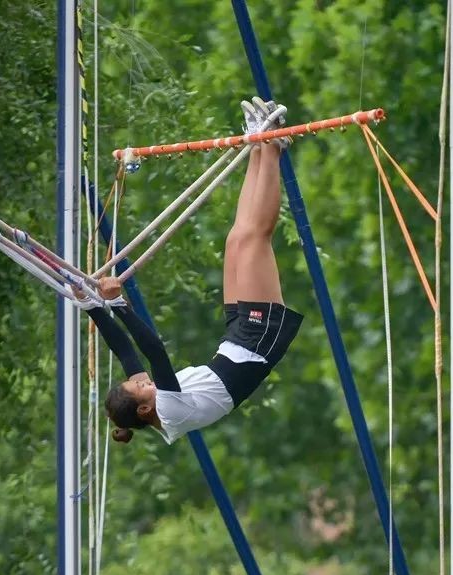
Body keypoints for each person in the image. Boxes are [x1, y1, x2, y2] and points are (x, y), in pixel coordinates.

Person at [83, 99, 302, 444]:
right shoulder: (169, 414)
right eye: (140, 386)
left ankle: (259, 140)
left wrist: (91, 305)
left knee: (237, 240)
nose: (144, 381)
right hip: (257, 346)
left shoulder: (147, 399)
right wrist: (120, 303)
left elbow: (125, 349)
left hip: (235, 339)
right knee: (256, 240)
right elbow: (154, 349)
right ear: (144, 410)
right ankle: (273, 147)